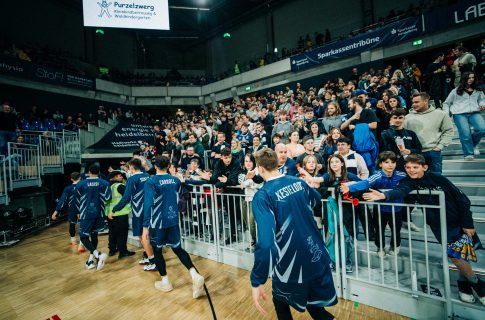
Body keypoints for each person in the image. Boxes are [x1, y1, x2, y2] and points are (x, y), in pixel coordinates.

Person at [363, 154, 485, 305]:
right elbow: (400, 190)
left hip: (458, 221)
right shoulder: (410, 182)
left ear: (424, 167)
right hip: (438, 225)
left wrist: (468, 223)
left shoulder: (437, 178)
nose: (411, 170)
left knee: (459, 256)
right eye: (408, 167)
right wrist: (384, 195)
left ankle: (474, 284)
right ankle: (467, 284)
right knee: (457, 255)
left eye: (415, 167)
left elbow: (462, 199)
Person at [251, 148, 337, 320]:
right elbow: (315, 199)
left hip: (291, 264)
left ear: (260, 169)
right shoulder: (297, 181)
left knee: (281, 304)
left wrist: (257, 279)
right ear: (277, 163)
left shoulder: (263, 196)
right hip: (316, 254)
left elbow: (267, 243)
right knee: (316, 309)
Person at [143, 156, 205, 298]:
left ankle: (165, 282)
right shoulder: (175, 180)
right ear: (169, 165)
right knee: (177, 249)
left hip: (158, 223)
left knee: (157, 251)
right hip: (173, 220)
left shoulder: (151, 181)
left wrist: (145, 226)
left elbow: (148, 204)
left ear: (155, 166)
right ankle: (194, 274)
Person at [341, 151, 407, 257]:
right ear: (380, 164)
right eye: (386, 162)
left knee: (396, 229)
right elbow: (366, 182)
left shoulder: (402, 175)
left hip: (397, 209)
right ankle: (380, 247)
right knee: (379, 229)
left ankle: (395, 246)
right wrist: (350, 187)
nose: (390, 165)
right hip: (380, 209)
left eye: (393, 162)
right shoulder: (377, 175)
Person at [110, 158, 155, 270]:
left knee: (142, 235)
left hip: (139, 210)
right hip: (150, 208)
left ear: (131, 167)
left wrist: (114, 209)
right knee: (146, 235)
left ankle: (153, 260)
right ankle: (148, 256)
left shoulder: (132, 179)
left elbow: (126, 198)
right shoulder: (147, 176)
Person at [405, 92, 453, 174]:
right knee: (417, 181)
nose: (413, 104)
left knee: (436, 180)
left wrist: (440, 146)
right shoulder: (407, 117)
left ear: (426, 101)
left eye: (416, 102)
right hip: (414, 154)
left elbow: (448, 131)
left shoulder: (441, 114)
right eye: (413, 102)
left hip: (432, 152)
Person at [76, 164, 111, 271]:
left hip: (86, 214)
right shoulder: (105, 183)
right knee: (94, 235)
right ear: (99, 172)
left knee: (83, 237)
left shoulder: (81, 184)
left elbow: (77, 200)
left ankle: (98, 254)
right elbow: (108, 198)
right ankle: (91, 259)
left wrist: (78, 211)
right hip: (99, 213)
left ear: (88, 172)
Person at [442, 72, 485, 160]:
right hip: (459, 114)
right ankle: (468, 154)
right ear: (464, 78)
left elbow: (482, 99)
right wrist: (446, 112)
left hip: (474, 112)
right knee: (465, 134)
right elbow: (446, 103)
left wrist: (482, 104)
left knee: (482, 129)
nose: (471, 79)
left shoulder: (478, 90)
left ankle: (472, 144)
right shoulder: (456, 90)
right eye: (469, 78)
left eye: (473, 77)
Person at [51, 171, 86, 253]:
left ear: (71, 179)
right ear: (80, 178)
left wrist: (56, 211)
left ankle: (73, 240)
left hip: (72, 210)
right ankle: (81, 245)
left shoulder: (67, 188)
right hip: (82, 210)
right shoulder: (84, 187)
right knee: (83, 226)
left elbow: (62, 201)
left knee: (72, 224)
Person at [105, 170, 135, 259]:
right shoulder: (120, 186)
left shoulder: (108, 186)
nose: (121, 177)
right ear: (114, 178)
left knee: (112, 232)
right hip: (120, 213)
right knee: (122, 233)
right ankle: (123, 252)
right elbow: (128, 197)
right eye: (119, 176)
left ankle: (112, 250)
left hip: (108, 213)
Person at [238, 154, 262, 248]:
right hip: (245, 199)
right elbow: (239, 182)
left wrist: (247, 183)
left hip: (254, 199)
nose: (248, 163)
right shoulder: (242, 172)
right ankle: (254, 240)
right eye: (246, 161)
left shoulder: (258, 170)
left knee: (252, 221)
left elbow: (259, 184)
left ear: (254, 162)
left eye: (250, 161)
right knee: (247, 221)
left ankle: (257, 241)